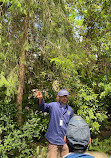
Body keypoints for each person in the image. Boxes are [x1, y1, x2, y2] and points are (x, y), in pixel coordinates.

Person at [35, 89, 74, 158]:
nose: (64, 98)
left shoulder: (70, 109)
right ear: (59, 97)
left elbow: (71, 123)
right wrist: (41, 99)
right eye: (63, 96)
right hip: (53, 138)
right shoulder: (53, 106)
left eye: (66, 96)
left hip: (64, 139)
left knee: (67, 156)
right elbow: (43, 107)